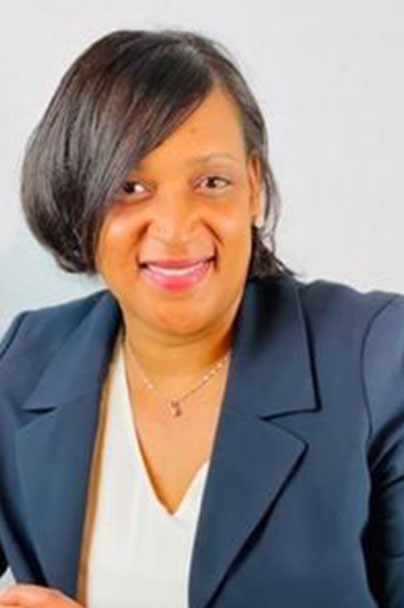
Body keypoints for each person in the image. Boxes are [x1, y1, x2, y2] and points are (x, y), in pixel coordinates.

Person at [0, 28, 403, 608]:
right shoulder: (27, 360)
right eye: (130, 186)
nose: (176, 227)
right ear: (79, 197)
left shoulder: (378, 359)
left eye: (212, 182)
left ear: (253, 188)